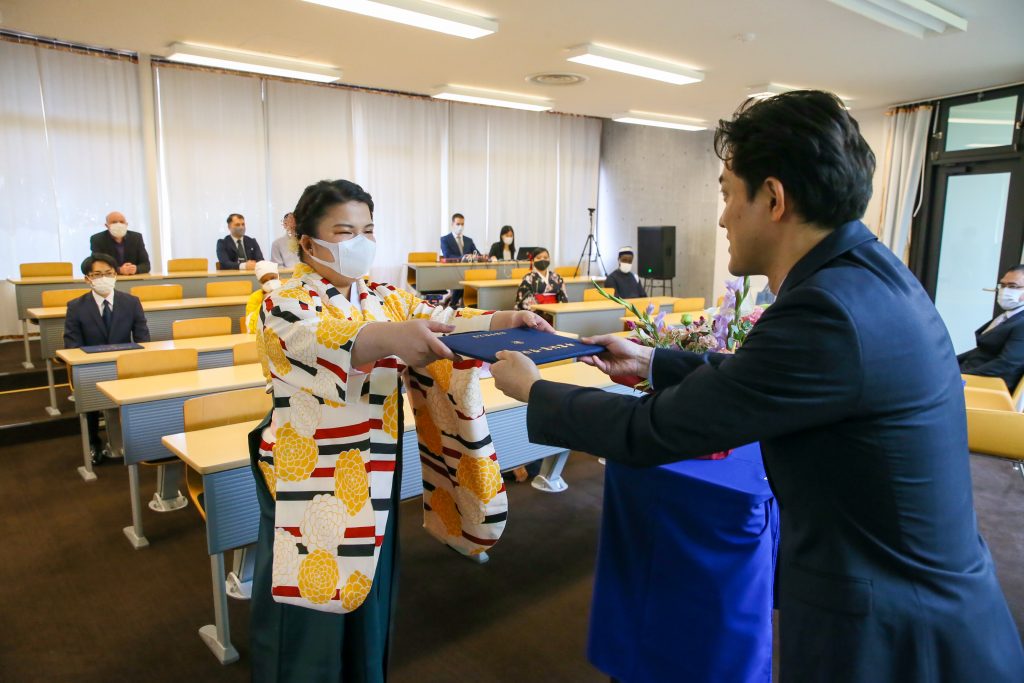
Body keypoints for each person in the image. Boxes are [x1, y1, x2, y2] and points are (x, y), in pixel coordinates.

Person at [490, 91, 1024, 682]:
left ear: (773, 198)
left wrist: (535, 391)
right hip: (925, 601)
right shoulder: (865, 276)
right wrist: (653, 363)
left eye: (725, 193)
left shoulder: (826, 311)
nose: (721, 217)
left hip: (897, 636)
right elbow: (771, 381)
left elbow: (654, 432)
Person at [248, 179, 551, 681]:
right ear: (307, 242)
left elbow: (449, 321)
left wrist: (506, 318)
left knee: (368, 587)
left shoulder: (386, 297)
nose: (360, 242)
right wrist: (396, 338)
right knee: (309, 600)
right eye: (344, 231)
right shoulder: (284, 301)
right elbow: (334, 339)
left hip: (374, 467)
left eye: (367, 230)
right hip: (310, 474)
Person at [64, 253, 150, 464]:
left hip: (125, 364)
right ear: (87, 279)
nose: (104, 278)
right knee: (90, 397)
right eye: (97, 274)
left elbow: (143, 338)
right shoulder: (76, 306)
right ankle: (93, 442)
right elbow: (72, 345)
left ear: (116, 275)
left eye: (108, 273)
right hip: (91, 367)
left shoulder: (131, 302)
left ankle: (134, 441)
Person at [957, 264, 1024, 391]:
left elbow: (1007, 365)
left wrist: (959, 376)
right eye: (1003, 285)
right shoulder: (1008, 316)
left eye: (1013, 286)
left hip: (985, 386)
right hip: (968, 376)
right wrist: (947, 362)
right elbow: (982, 350)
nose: (1005, 290)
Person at [245, 260, 281, 334]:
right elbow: (251, 329)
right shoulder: (255, 298)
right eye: (265, 281)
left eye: (273, 278)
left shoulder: (288, 292)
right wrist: (263, 303)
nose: (270, 282)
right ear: (260, 283)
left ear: (278, 276)